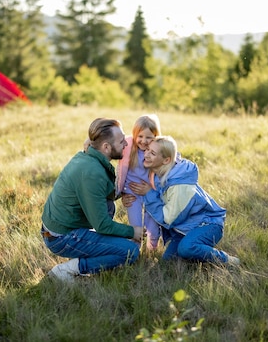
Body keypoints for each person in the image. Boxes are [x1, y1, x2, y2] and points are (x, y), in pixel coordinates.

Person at [41, 118, 144, 282]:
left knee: (110, 213)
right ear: (106, 147)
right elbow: (102, 225)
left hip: (62, 228)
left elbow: (106, 194)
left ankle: (89, 248)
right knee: (130, 251)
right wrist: (133, 231)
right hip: (60, 237)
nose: (126, 144)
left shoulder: (90, 155)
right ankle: (67, 271)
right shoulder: (92, 173)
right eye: (121, 141)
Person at [132, 135, 240, 265]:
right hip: (184, 228)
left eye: (152, 153)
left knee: (186, 248)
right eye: (147, 149)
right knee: (169, 261)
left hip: (208, 224)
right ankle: (196, 254)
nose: (146, 154)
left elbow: (167, 218)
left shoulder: (179, 187)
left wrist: (149, 193)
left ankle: (228, 260)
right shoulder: (160, 171)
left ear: (166, 160)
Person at [117, 114, 162, 250]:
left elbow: (172, 157)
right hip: (132, 194)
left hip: (151, 192)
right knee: (135, 226)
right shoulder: (128, 147)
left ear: (156, 137)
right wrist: (122, 193)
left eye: (149, 137)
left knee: (153, 227)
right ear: (134, 135)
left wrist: (152, 189)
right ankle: (134, 251)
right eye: (140, 136)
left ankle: (152, 249)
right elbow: (108, 143)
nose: (143, 141)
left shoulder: (159, 150)